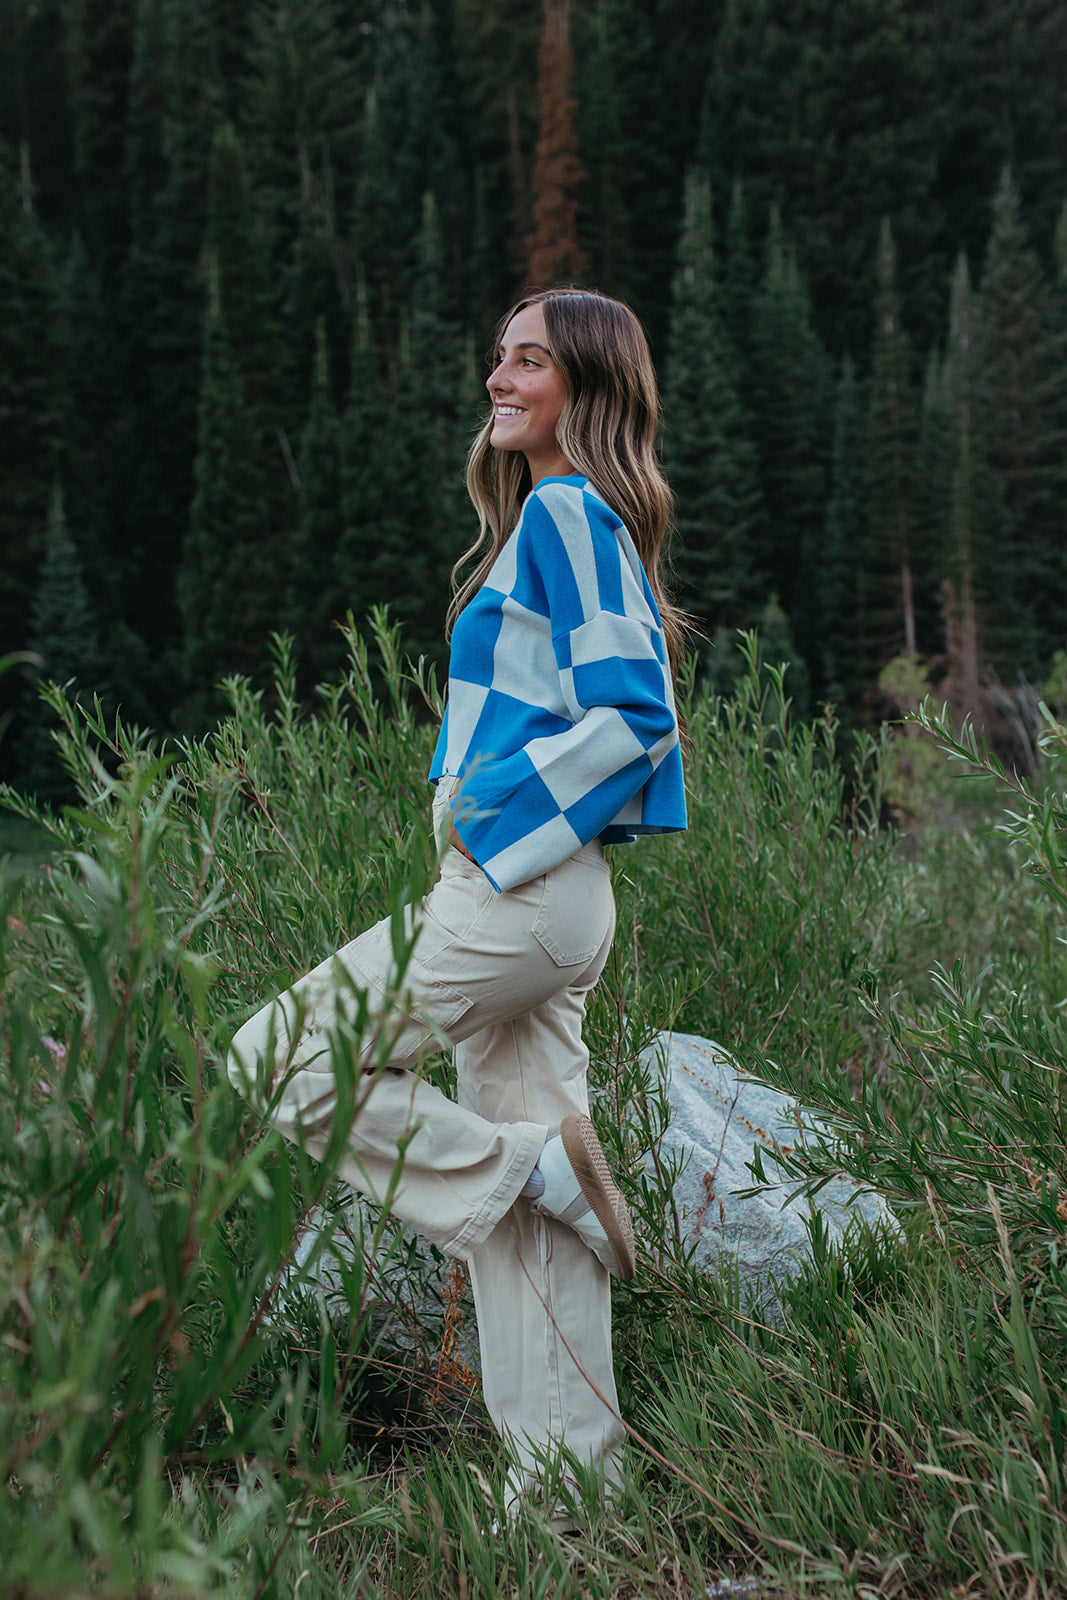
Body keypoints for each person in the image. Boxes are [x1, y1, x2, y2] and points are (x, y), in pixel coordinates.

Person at [227, 286, 688, 1522]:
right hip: (539, 895)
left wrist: (490, 825)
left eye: (527, 360)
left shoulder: (571, 512)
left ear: (584, 390)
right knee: (536, 1236)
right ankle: (563, 1507)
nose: (498, 376)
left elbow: (636, 715)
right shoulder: (551, 518)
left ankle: (520, 1163)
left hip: (517, 886)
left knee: (274, 1058)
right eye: (497, 356)